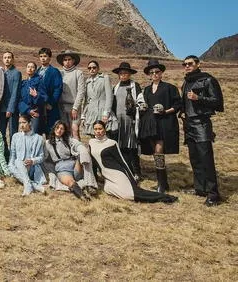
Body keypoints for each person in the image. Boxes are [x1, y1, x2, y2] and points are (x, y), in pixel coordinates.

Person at [89, 121, 177, 203]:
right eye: (96, 129)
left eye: (100, 129)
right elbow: (93, 164)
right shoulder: (91, 142)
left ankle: (162, 197)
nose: (98, 131)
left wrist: (131, 179)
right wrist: (94, 182)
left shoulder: (111, 143)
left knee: (129, 195)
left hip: (118, 174)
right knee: (107, 189)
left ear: (104, 129)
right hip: (107, 178)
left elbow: (122, 161)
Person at [180, 55, 224, 206]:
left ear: (198, 64)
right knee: (195, 159)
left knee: (206, 159)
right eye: (184, 64)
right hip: (189, 124)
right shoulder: (187, 81)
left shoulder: (208, 80)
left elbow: (217, 102)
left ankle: (213, 194)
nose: (187, 66)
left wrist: (198, 98)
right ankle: (200, 189)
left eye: (190, 63)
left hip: (202, 124)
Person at [138, 59, 181, 193]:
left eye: (157, 72)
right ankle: (163, 183)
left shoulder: (169, 88)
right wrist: (142, 108)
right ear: (149, 75)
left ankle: (161, 184)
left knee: (158, 152)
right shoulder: (146, 90)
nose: (155, 74)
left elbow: (178, 105)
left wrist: (165, 111)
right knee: (155, 153)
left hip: (164, 123)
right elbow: (142, 105)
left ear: (161, 73)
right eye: (152, 72)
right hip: (150, 124)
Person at [44, 121, 97, 200]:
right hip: (62, 169)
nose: (59, 130)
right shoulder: (47, 143)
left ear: (64, 131)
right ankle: (83, 197)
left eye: (62, 129)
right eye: (57, 128)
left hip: (75, 165)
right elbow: (44, 157)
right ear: (54, 129)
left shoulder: (68, 140)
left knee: (84, 153)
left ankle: (90, 185)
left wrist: (82, 150)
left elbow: (78, 144)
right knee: (70, 182)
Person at [111, 62, 145, 180]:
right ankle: (125, 170)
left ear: (130, 74)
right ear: (118, 75)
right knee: (120, 146)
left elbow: (141, 101)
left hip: (131, 121)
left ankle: (136, 172)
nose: (123, 75)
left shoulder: (135, 86)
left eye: (125, 73)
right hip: (118, 122)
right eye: (121, 73)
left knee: (132, 146)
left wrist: (137, 108)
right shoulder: (115, 88)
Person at [8, 114, 46, 196]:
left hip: (31, 167)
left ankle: (29, 185)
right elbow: (12, 155)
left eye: (24, 122)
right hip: (18, 168)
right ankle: (31, 185)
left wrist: (32, 161)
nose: (21, 125)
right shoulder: (15, 136)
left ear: (30, 123)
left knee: (18, 161)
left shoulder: (38, 138)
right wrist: (10, 166)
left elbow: (41, 157)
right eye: (20, 123)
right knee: (16, 162)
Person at [82, 60, 116, 137]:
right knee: (93, 136)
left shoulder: (105, 78)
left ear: (98, 68)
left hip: (102, 110)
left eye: (94, 67)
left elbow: (109, 96)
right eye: (89, 68)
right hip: (91, 112)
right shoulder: (87, 82)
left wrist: (106, 112)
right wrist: (83, 115)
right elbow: (87, 101)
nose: (92, 69)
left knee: (105, 135)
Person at [0, 51, 22, 161]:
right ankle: (5, 153)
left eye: (9, 57)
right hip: (1, 107)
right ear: (2, 59)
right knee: (1, 132)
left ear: (12, 59)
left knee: (13, 133)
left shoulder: (16, 73)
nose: (7, 59)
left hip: (11, 109)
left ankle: (14, 158)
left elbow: (15, 92)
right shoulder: (1, 72)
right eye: (5, 57)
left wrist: (11, 108)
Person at [57, 50, 85, 139]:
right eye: (65, 60)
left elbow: (81, 91)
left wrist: (76, 107)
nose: (67, 62)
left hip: (74, 106)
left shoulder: (78, 73)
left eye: (69, 59)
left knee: (75, 130)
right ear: (62, 61)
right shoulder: (59, 73)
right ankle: (67, 151)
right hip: (61, 106)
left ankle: (77, 151)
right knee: (64, 130)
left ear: (73, 61)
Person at [35, 48, 63, 135]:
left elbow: (57, 89)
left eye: (45, 56)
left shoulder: (54, 71)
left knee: (51, 132)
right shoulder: (37, 71)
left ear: (50, 58)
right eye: (41, 56)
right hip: (38, 106)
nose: (43, 58)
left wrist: (51, 103)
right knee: (38, 131)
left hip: (50, 106)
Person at [18, 61, 47, 136]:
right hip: (25, 113)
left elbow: (45, 98)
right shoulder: (23, 83)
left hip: (35, 113)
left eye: (32, 67)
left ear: (35, 69)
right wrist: (28, 110)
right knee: (23, 134)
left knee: (34, 134)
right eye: (28, 67)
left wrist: (36, 95)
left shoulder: (40, 81)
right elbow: (20, 100)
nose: (30, 69)